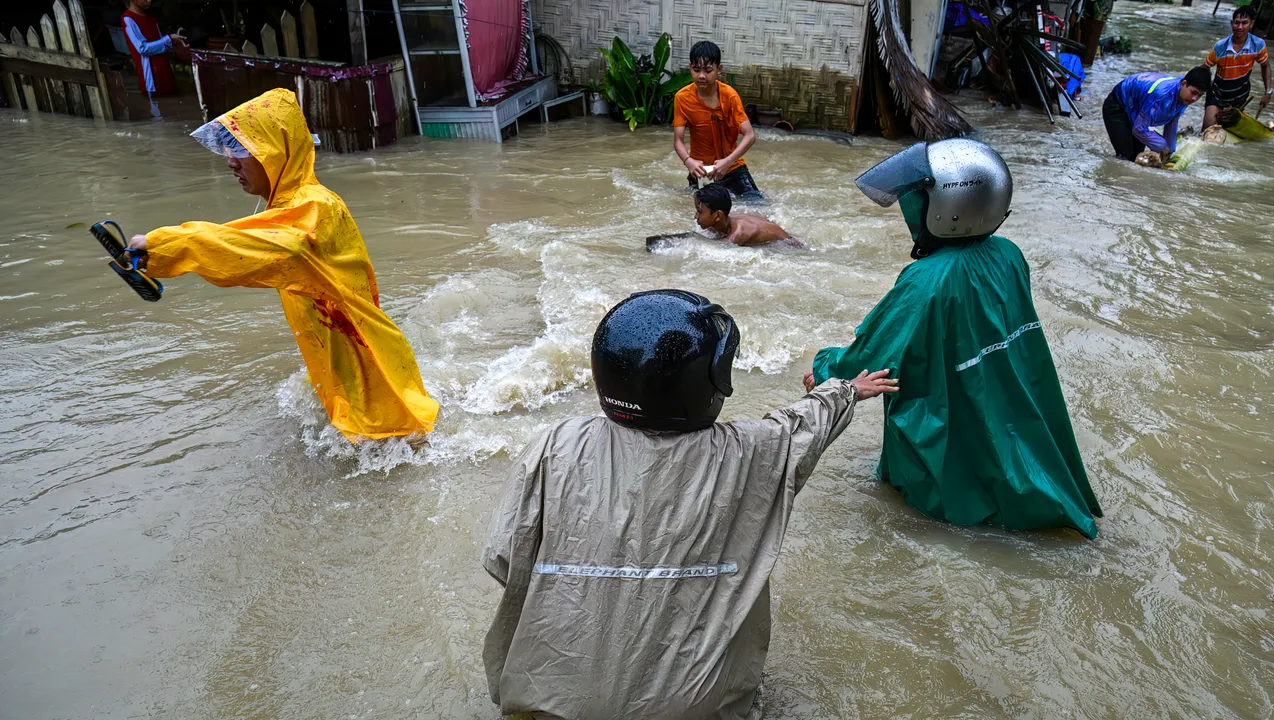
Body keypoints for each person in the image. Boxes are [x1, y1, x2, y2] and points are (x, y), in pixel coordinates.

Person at [483, 289, 897, 719]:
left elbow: (501, 558)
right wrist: (847, 389)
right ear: (711, 382)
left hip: (549, 703)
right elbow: (802, 425)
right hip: (695, 709)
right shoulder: (752, 450)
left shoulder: (556, 445)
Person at [806, 139, 1103, 538]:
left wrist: (824, 368)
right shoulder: (1009, 254)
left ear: (947, 208)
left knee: (938, 512)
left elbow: (871, 356)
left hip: (949, 428)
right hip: (1000, 405)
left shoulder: (926, 279)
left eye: (917, 200)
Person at [122, 88, 440, 440]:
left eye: (241, 149)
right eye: (228, 149)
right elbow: (242, 243)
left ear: (275, 152)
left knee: (396, 446)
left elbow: (276, 251)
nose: (230, 161)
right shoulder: (286, 209)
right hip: (344, 362)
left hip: (369, 369)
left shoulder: (316, 206)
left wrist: (164, 245)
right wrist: (161, 252)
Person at [673, 41, 763, 200]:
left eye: (708, 70)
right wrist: (689, 162)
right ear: (690, 68)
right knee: (701, 216)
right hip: (700, 170)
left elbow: (750, 136)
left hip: (732, 167)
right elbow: (678, 141)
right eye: (696, 70)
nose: (701, 75)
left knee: (758, 206)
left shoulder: (730, 97)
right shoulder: (682, 98)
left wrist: (727, 162)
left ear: (718, 70)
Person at [1102, 66, 1210, 163]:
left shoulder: (1184, 96)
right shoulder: (1160, 95)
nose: (1195, 98)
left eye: (1200, 95)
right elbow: (1139, 129)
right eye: (1194, 92)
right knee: (1126, 158)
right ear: (1183, 84)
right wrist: (1162, 146)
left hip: (1136, 110)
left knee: (1136, 157)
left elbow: (1172, 122)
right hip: (1117, 105)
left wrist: (1170, 151)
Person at [1202, 5, 1271, 131]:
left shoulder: (1258, 45)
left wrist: (1268, 92)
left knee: (1229, 128)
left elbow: (1265, 66)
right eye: (1237, 23)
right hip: (1217, 93)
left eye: (1244, 23)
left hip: (1240, 95)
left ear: (1251, 24)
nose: (1240, 27)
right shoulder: (1221, 46)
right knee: (1208, 129)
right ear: (1231, 23)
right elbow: (1205, 68)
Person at [694, 183, 800, 247]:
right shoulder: (721, 220)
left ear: (717, 216)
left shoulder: (739, 232)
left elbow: (716, 250)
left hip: (790, 245)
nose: (696, 216)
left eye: (700, 212)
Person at [121, 0, 185, 96]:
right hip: (151, 81)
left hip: (165, 74)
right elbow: (142, 48)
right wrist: (169, 39)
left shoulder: (151, 17)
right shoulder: (128, 19)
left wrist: (174, 41)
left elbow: (160, 42)